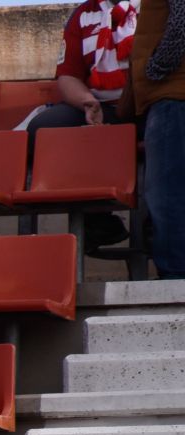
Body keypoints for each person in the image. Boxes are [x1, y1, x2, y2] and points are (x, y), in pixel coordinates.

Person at [28, 0, 139, 246]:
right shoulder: (82, 14)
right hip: (101, 107)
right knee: (44, 128)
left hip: (147, 107)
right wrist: (87, 102)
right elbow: (68, 76)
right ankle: (97, 220)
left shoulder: (158, 7)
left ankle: (156, 228)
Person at [131, 0, 185, 278]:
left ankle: (176, 278)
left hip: (174, 97)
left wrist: (156, 68)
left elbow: (180, 20)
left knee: (168, 194)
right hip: (171, 96)